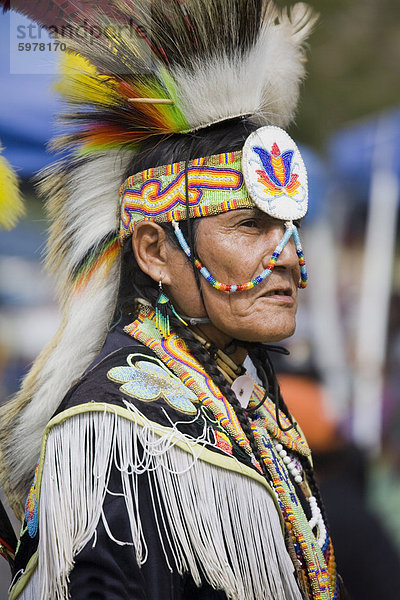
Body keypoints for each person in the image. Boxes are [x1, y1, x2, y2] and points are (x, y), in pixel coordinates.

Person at [0, 1, 348, 598]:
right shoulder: (113, 435)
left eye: (289, 227)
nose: (288, 253)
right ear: (156, 251)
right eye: (248, 225)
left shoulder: (243, 395)